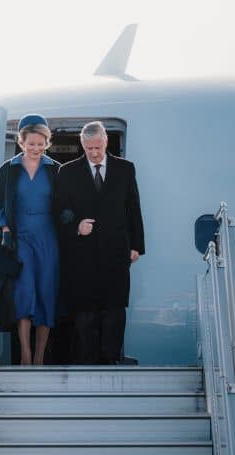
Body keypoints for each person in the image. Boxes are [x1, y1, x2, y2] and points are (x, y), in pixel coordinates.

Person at [54, 121, 145, 364]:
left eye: (97, 147)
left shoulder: (125, 169)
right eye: (89, 148)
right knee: (85, 315)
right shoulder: (67, 171)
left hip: (116, 251)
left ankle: (110, 362)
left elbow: (133, 208)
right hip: (82, 254)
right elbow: (60, 210)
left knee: (115, 311)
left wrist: (136, 245)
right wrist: (76, 226)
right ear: (82, 145)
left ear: (105, 142)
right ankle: (88, 364)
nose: (94, 153)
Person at [0, 114, 61, 365]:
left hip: (48, 238)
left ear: (47, 143)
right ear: (21, 142)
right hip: (20, 239)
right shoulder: (8, 169)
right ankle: (26, 355)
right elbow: (0, 206)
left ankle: (40, 356)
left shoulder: (55, 169)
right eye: (31, 144)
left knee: (46, 294)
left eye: (41, 144)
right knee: (24, 294)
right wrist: (5, 229)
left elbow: (65, 203)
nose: (36, 148)